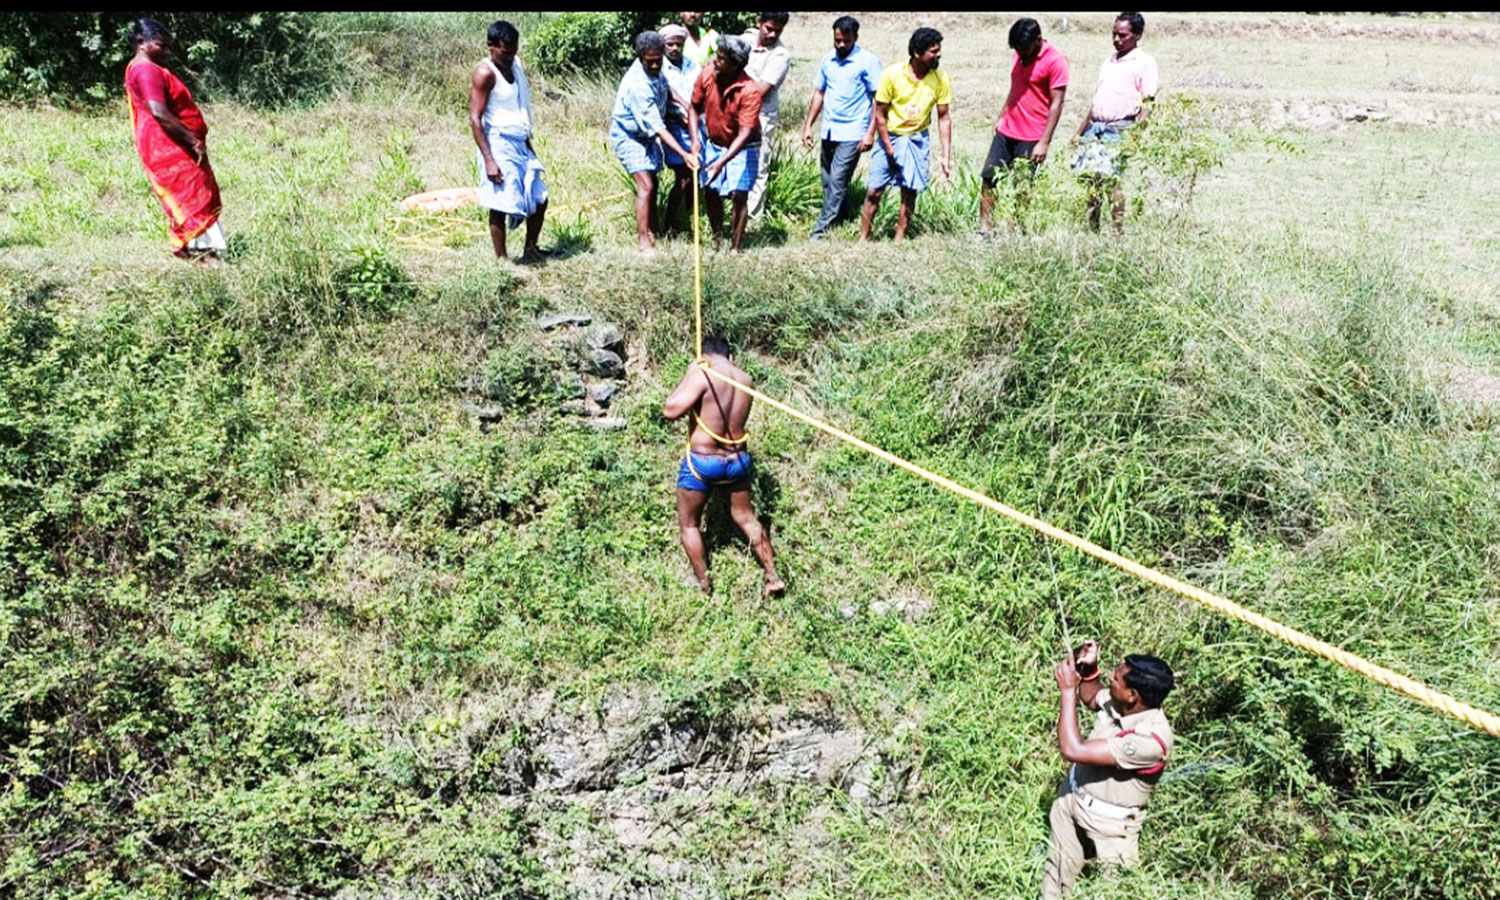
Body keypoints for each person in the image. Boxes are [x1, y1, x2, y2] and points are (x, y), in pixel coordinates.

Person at [1045, 641, 1175, 900]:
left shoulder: (1150, 741)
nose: (1111, 678)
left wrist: (1068, 690)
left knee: (1117, 893)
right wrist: (1090, 671)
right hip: (1071, 802)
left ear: (1133, 695)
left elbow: (1073, 749)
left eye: (1116, 678)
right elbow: (1093, 697)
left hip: (1112, 828)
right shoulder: (1122, 702)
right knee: (1054, 881)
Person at [663, 336, 784, 596]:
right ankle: (772, 576)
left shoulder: (702, 373)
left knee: (689, 524)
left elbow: (670, 410)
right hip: (737, 461)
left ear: (703, 355)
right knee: (746, 517)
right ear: (730, 357)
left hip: (703, 462)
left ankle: (703, 584)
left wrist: (691, 373)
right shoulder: (744, 378)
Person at [123, 19, 225, 263]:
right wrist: (192, 141)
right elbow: (159, 112)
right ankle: (205, 255)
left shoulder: (140, 67)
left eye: (169, 47)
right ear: (141, 43)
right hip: (171, 148)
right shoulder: (146, 70)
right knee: (193, 195)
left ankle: (201, 253)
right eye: (161, 46)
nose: (167, 52)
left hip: (168, 146)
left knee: (194, 194)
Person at [859, 27, 952, 243]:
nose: (938, 55)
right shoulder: (892, 75)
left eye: (938, 50)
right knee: (875, 190)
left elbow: (944, 117)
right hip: (889, 137)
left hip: (917, 140)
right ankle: (863, 238)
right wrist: (888, 147)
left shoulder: (940, 78)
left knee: (909, 190)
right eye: (933, 51)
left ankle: (899, 238)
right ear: (917, 53)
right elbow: (880, 114)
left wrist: (946, 156)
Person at [612, 31, 700, 255]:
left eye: (657, 61)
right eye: (649, 62)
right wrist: (684, 153)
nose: (654, 66)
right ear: (641, 57)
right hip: (629, 136)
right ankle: (644, 241)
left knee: (654, 183)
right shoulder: (638, 85)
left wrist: (685, 106)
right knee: (646, 185)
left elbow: (665, 89)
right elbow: (658, 128)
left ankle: (654, 230)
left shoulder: (657, 69)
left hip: (646, 136)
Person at [1070, 12, 1158, 234]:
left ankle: (1116, 231)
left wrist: (1136, 135)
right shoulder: (1109, 61)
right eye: (1114, 34)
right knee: (1090, 181)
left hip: (1119, 129)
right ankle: (1093, 229)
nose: (1117, 39)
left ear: (1137, 35)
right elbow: (1097, 101)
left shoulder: (1144, 62)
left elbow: (1148, 102)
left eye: (1123, 35)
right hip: (1096, 128)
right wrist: (1080, 132)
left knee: (1111, 181)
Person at [979, 18, 1069, 235]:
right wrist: (1001, 117)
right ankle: (985, 229)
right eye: (1018, 49)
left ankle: (1015, 230)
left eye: (1025, 48)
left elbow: (1057, 103)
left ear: (1038, 40)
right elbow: (1015, 89)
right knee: (989, 177)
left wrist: (1044, 142)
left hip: (1032, 135)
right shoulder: (1018, 54)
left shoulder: (1056, 61)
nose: (1021, 53)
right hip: (1007, 129)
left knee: (1023, 186)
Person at [469, 20, 548, 262]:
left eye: (514, 51)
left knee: (539, 198)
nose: (510, 57)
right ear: (491, 46)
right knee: (501, 202)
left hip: (521, 142)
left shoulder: (516, 65)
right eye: (505, 52)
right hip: (498, 142)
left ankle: (531, 250)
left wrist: (528, 145)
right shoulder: (485, 74)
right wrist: (489, 160)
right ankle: (502, 260)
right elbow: (475, 119)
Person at [800, 16, 882, 239]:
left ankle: (821, 229)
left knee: (837, 179)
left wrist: (869, 133)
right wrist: (808, 125)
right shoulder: (828, 60)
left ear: (855, 37)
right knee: (828, 179)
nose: (841, 45)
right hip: (829, 129)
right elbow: (819, 93)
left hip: (853, 131)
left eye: (846, 41)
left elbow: (879, 101)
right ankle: (842, 216)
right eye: (837, 40)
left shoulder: (868, 62)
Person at [691, 37, 762, 254]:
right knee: (711, 190)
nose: (716, 61)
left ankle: (736, 246)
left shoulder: (750, 90)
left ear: (736, 65)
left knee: (739, 194)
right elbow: (693, 107)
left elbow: (745, 132)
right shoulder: (707, 74)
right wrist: (695, 139)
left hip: (744, 146)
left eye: (722, 59)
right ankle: (717, 238)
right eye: (717, 55)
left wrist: (722, 162)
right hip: (714, 142)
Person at [741, 12, 791, 219]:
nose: (771, 34)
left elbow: (760, 91)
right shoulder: (745, 41)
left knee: (758, 164)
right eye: (768, 29)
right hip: (734, 111)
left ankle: (752, 217)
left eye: (777, 31)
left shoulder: (780, 55)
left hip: (761, 116)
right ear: (759, 23)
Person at [660, 24, 702, 233]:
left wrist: (695, 114)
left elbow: (700, 92)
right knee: (683, 177)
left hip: (694, 125)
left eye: (679, 44)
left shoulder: (693, 66)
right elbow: (666, 95)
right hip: (673, 125)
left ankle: (691, 220)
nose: (675, 48)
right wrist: (682, 113)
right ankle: (668, 225)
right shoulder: (658, 67)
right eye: (670, 44)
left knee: (695, 176)